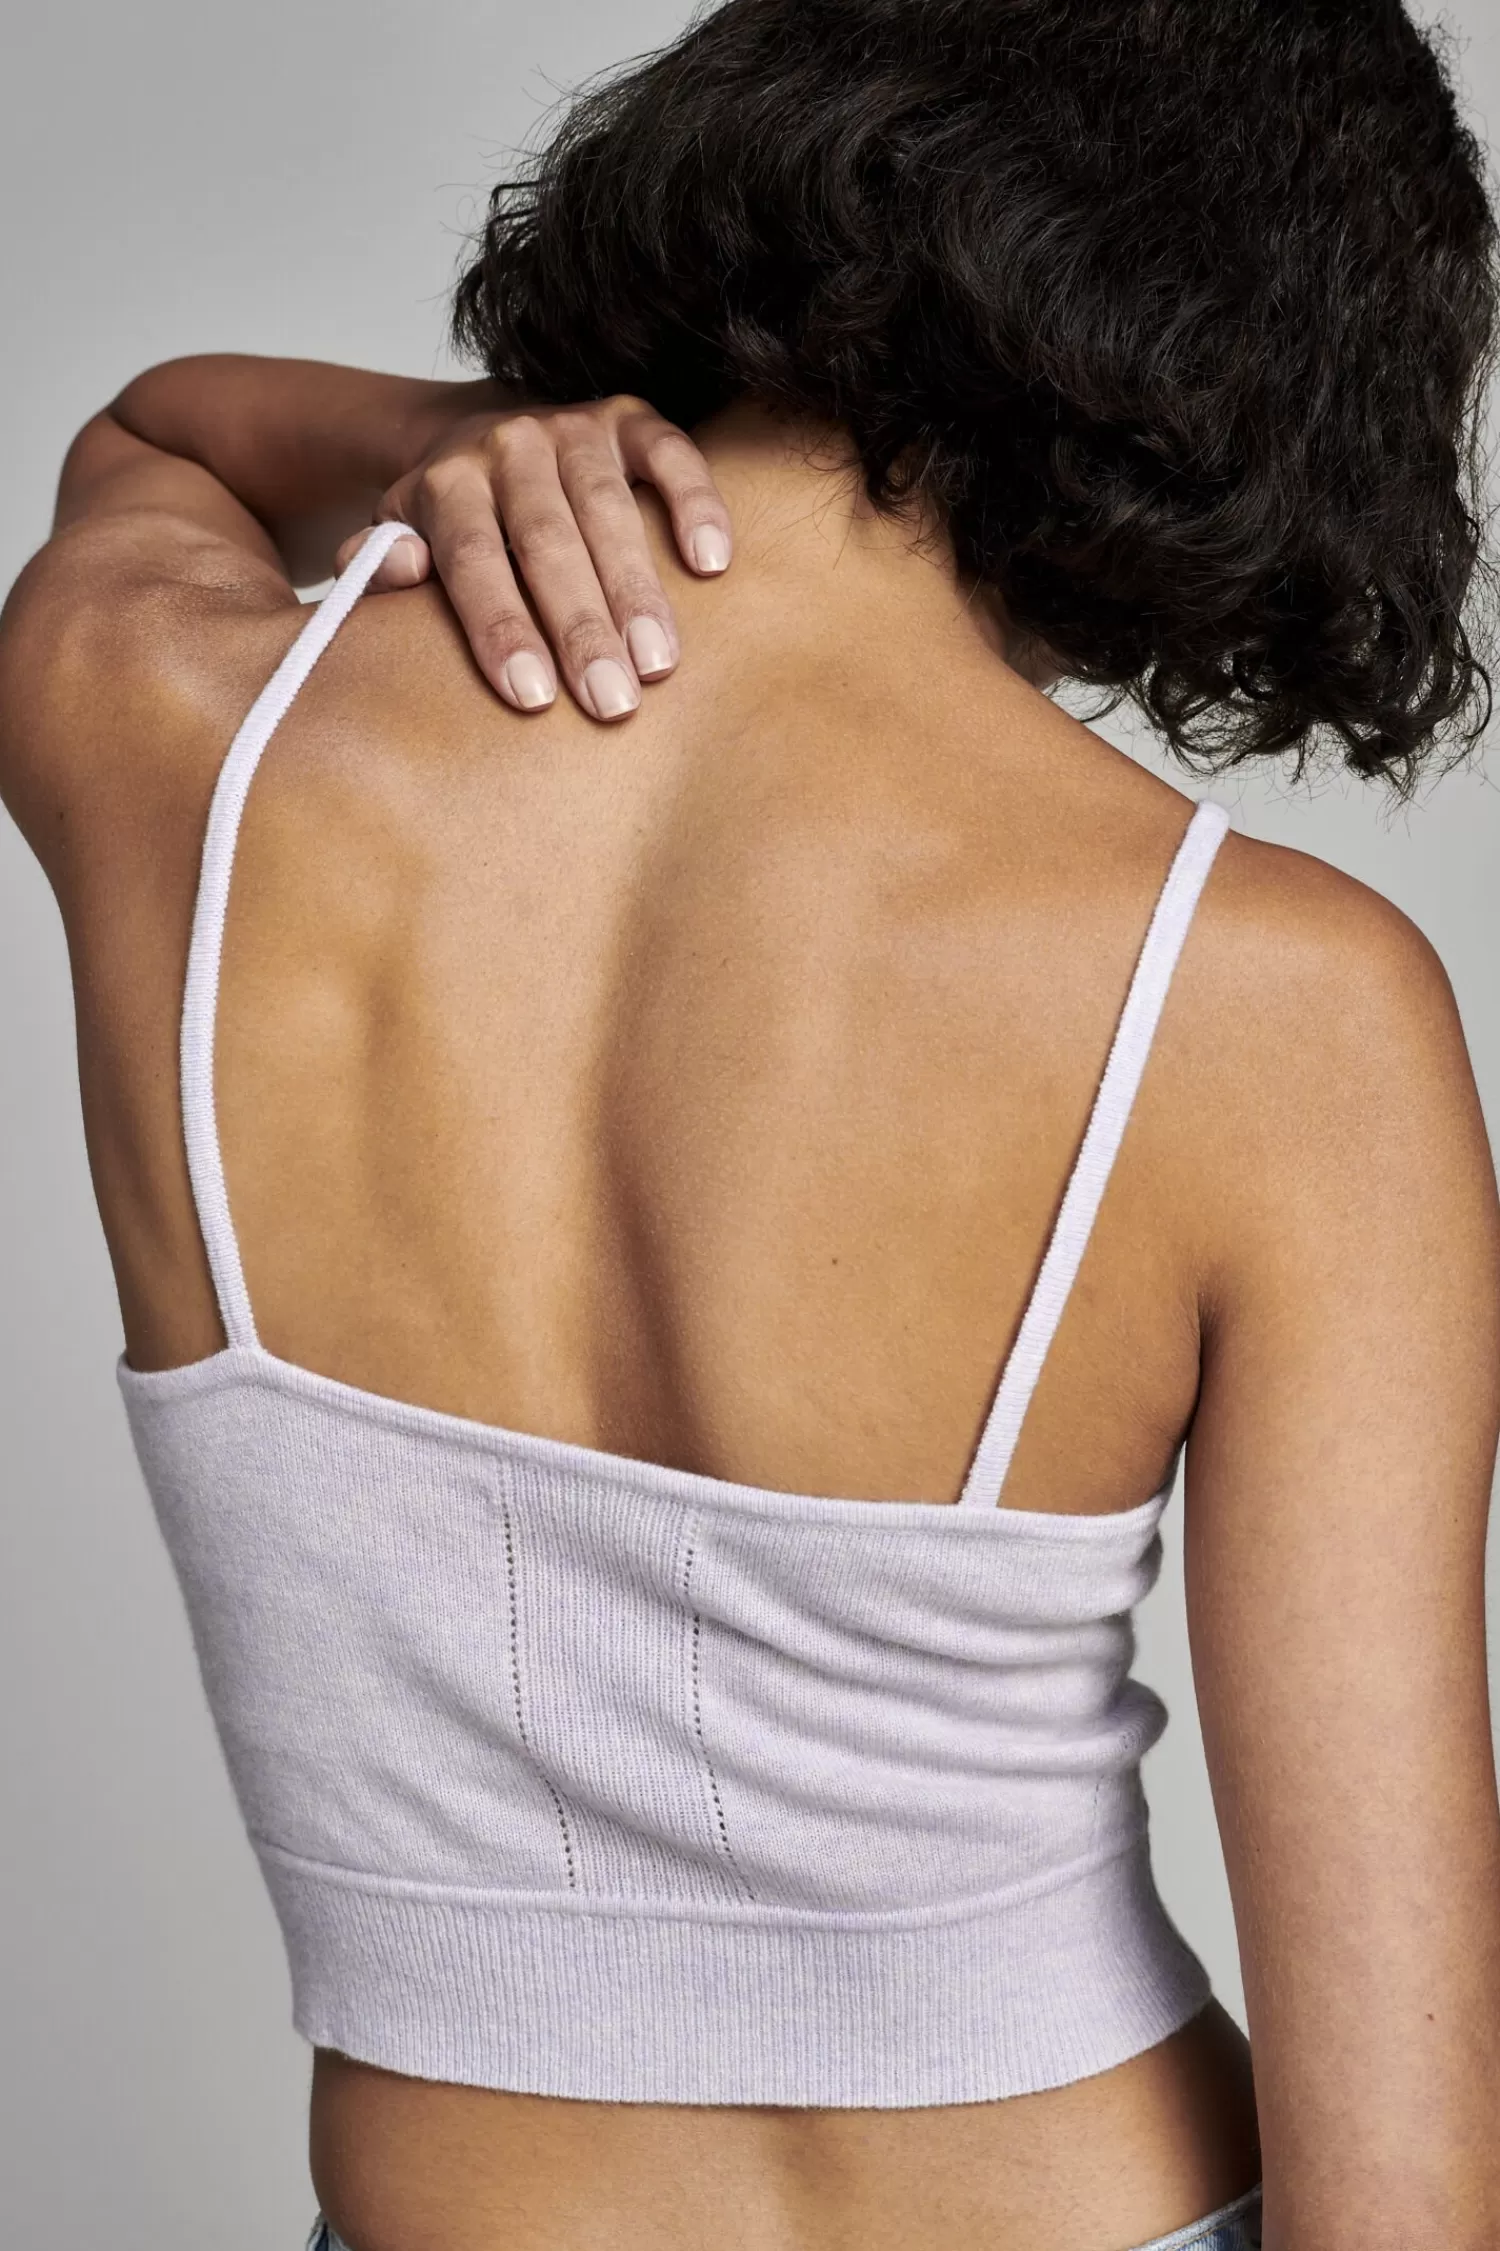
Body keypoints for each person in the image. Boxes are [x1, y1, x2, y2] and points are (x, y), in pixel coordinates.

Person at [2, 2, 1499, 2248]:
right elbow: (1401, 2198)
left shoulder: (162, 727)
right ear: (1250, 368)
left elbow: (153, 432)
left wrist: (459, 435)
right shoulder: (1280, 1004)